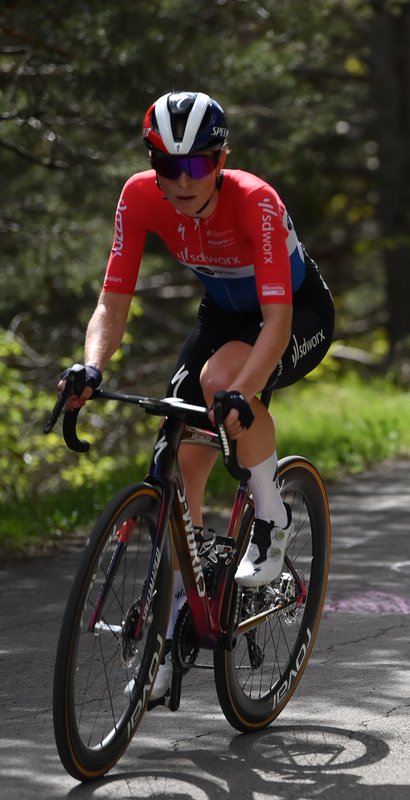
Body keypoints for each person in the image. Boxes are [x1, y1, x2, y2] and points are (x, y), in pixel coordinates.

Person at [57, 91, 335, 699]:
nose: (182, 181)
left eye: (198, 165)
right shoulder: (138, 196)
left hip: (291, 313)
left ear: (221, 159)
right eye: (168, 166)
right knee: (177, 461)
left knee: (221, 385)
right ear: (152, 164)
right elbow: (114, 298)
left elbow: (278, 324)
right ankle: (173, 627)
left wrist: (242, 389)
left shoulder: (256, 202)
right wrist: (90, 365)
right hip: (222, 312)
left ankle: (271, 516)